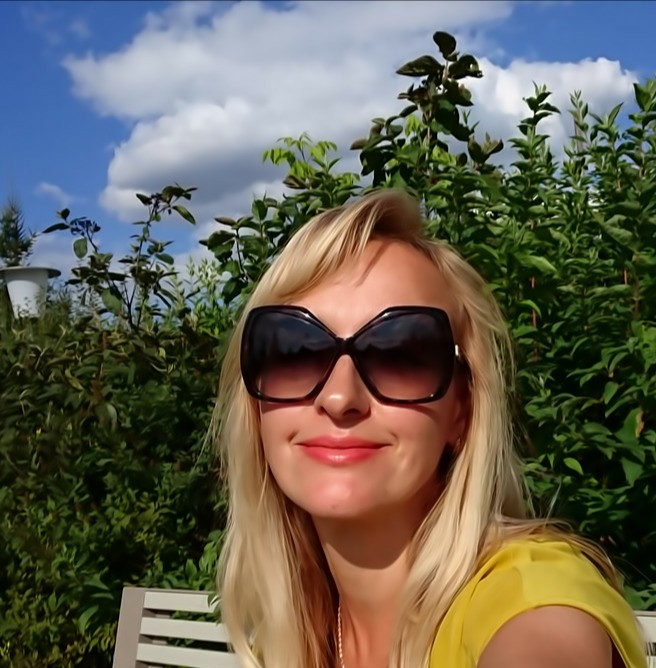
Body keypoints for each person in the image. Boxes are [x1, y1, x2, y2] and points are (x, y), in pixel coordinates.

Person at [212, 190, 648, 668]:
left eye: (400, 355)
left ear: (461, 409)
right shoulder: (297, 636)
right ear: (255, 404)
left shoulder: (530, 593)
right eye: (294, 351)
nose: (339, 398)